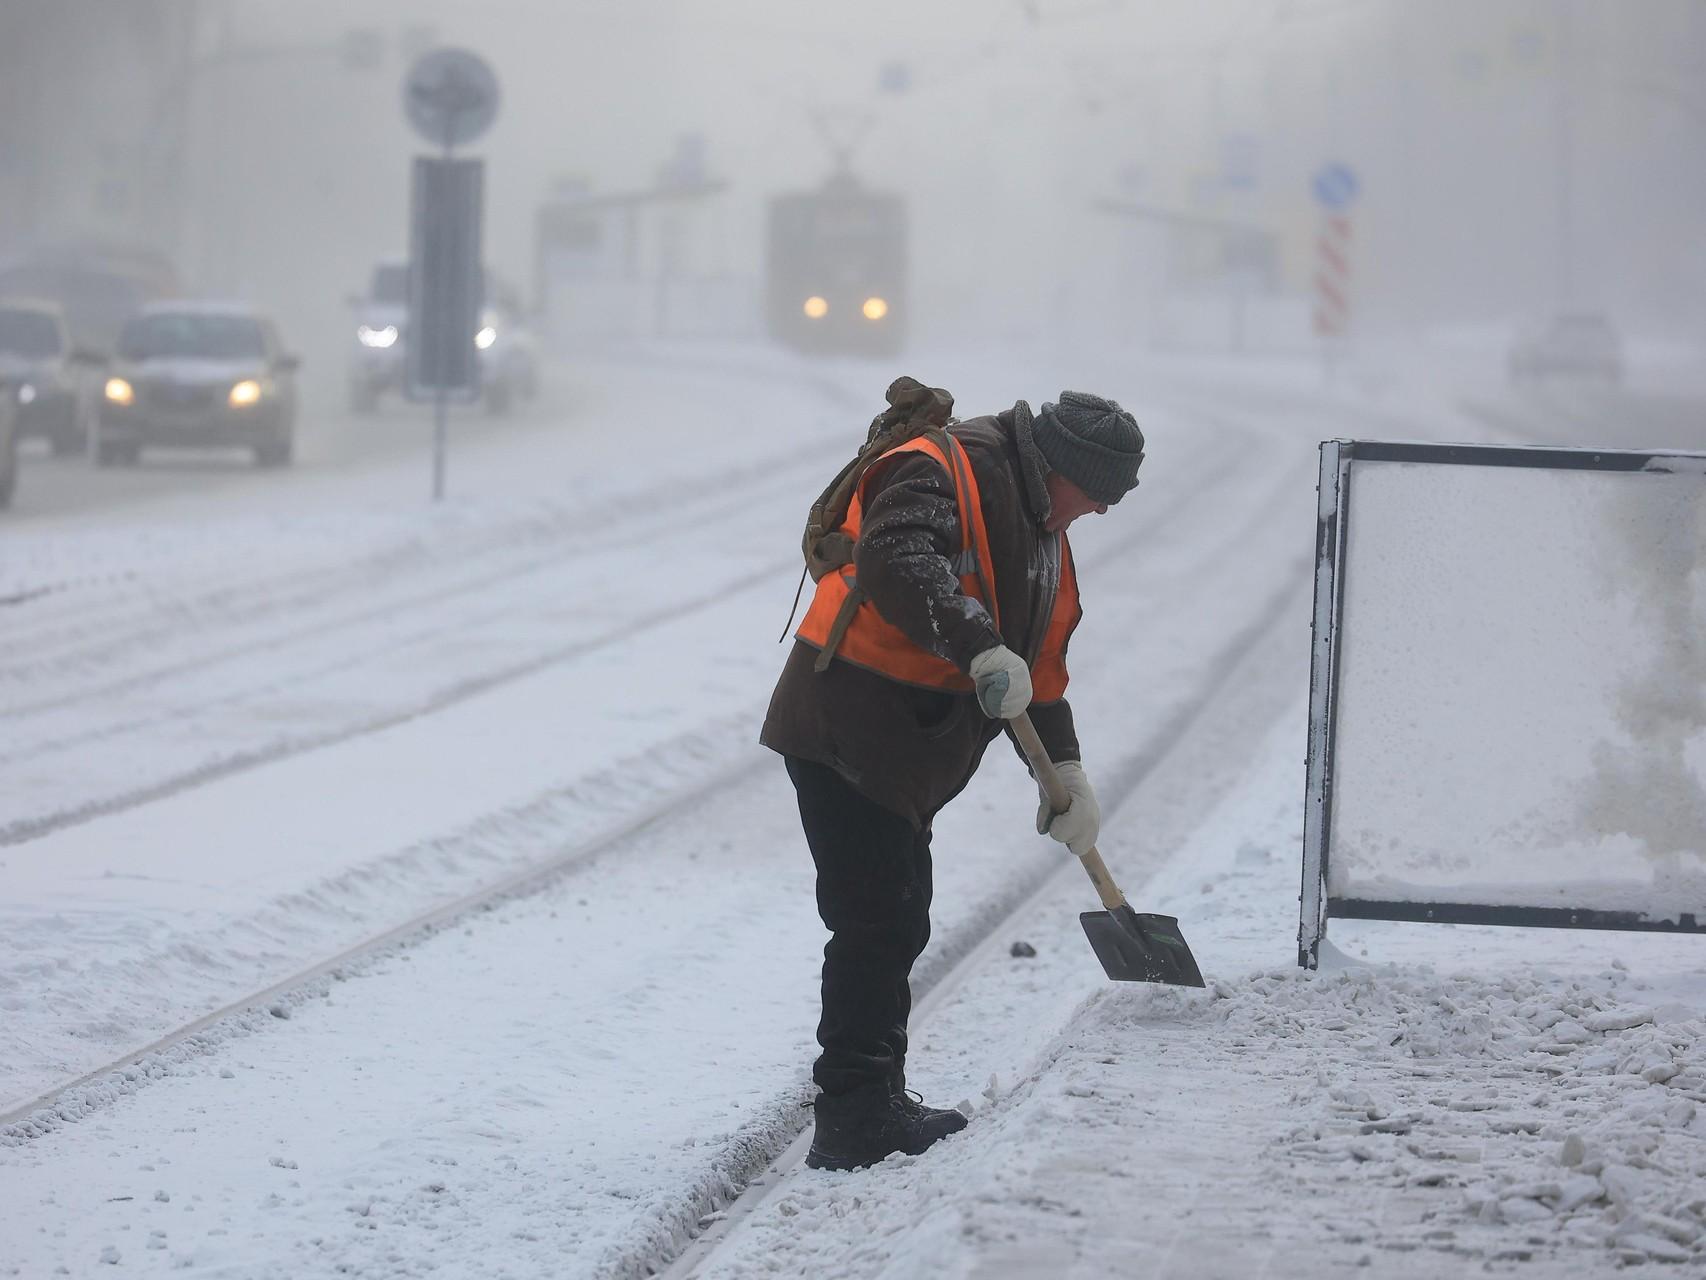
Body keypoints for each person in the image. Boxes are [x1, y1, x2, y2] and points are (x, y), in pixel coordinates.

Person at [761, 388, 1146, 1171]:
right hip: (846, 723)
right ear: (1065, 468)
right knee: (879, 919)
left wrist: (1063, 771)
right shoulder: (941, 468)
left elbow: (1035, 668)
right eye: (1100, 495)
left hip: (906, 745)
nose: (1102, 513)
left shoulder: (1045, 528)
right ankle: (854, 1116)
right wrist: (975, 644)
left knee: (898, 915)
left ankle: (874, 1094)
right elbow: (895, 556)